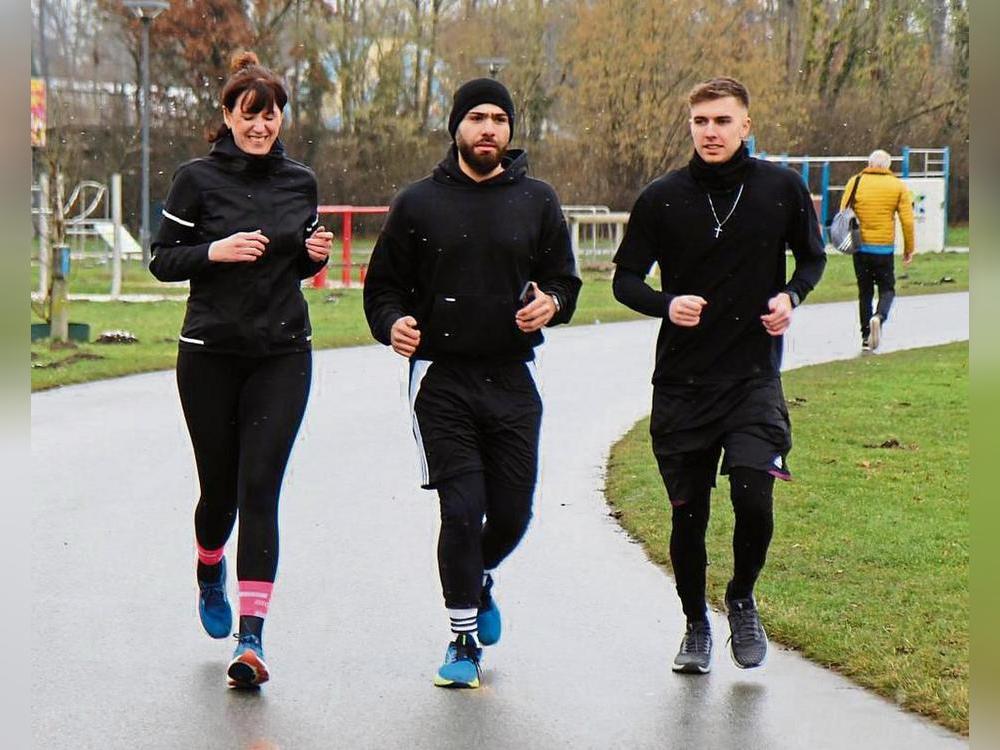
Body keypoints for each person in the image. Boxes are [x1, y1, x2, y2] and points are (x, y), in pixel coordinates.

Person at [363, 78, 581, 689]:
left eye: (499, 119)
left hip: (512, 377)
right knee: (461, 510)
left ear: (511, 130)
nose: (488, 128)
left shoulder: (537, 199)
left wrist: (552, 304)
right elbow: (383, 289)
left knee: (512, 513)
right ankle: (462, 637)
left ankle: (476, 577)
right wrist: (393, 325)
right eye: (477, 117)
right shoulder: (418, 202)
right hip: (441, 379)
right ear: (456, 126)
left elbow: (564, 280)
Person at [611, 77, 826, 674]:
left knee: (754, 498)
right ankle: (694, 625)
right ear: (690, 126)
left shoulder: (781, 189)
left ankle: (741, 597)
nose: (711, 132)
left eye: (723, 121)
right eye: (701, 122)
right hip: (682, 385)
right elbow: (625, 279)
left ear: (745, 126)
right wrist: (666, 303)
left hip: (753, 377)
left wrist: (791, 296)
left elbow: (812, 257)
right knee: (689, 515)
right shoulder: (662, 198)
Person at [149, 51, 332, 688]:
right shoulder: (195, 180)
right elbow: (162, 261)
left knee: (260, 488)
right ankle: (207, 564)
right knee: (219, 493)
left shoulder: (300, 181)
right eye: (249, 115)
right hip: (209, 355)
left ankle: (250, 640)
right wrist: (215, 252)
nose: (261, 126)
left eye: (271, 114)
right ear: (227, 116)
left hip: (283, 352)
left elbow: (299, 265)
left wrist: (314, 254)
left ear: (283, 118)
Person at [840, 149, 915, 351]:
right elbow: (907, 221)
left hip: (860, 247)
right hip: (883, 249)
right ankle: (879, 317)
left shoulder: (855, 181)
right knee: (887, 288)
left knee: (864, 292)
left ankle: (865, 336)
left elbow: (843, 211)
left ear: (869, 163)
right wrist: (909, 248)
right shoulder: (898, 186)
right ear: (888, 166)